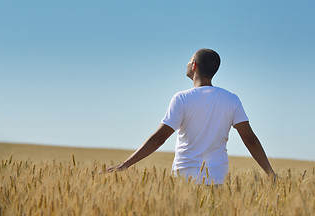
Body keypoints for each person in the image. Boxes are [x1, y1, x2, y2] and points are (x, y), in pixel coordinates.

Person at [103, 48, 275, 184]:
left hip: (184, 179)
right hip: (217, 179)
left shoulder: (182, 98)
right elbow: (250, 139)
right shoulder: (232, 99)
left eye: (189, 60)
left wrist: (125, 165)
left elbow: (159, 138)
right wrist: (270, 173)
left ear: (194, 66)